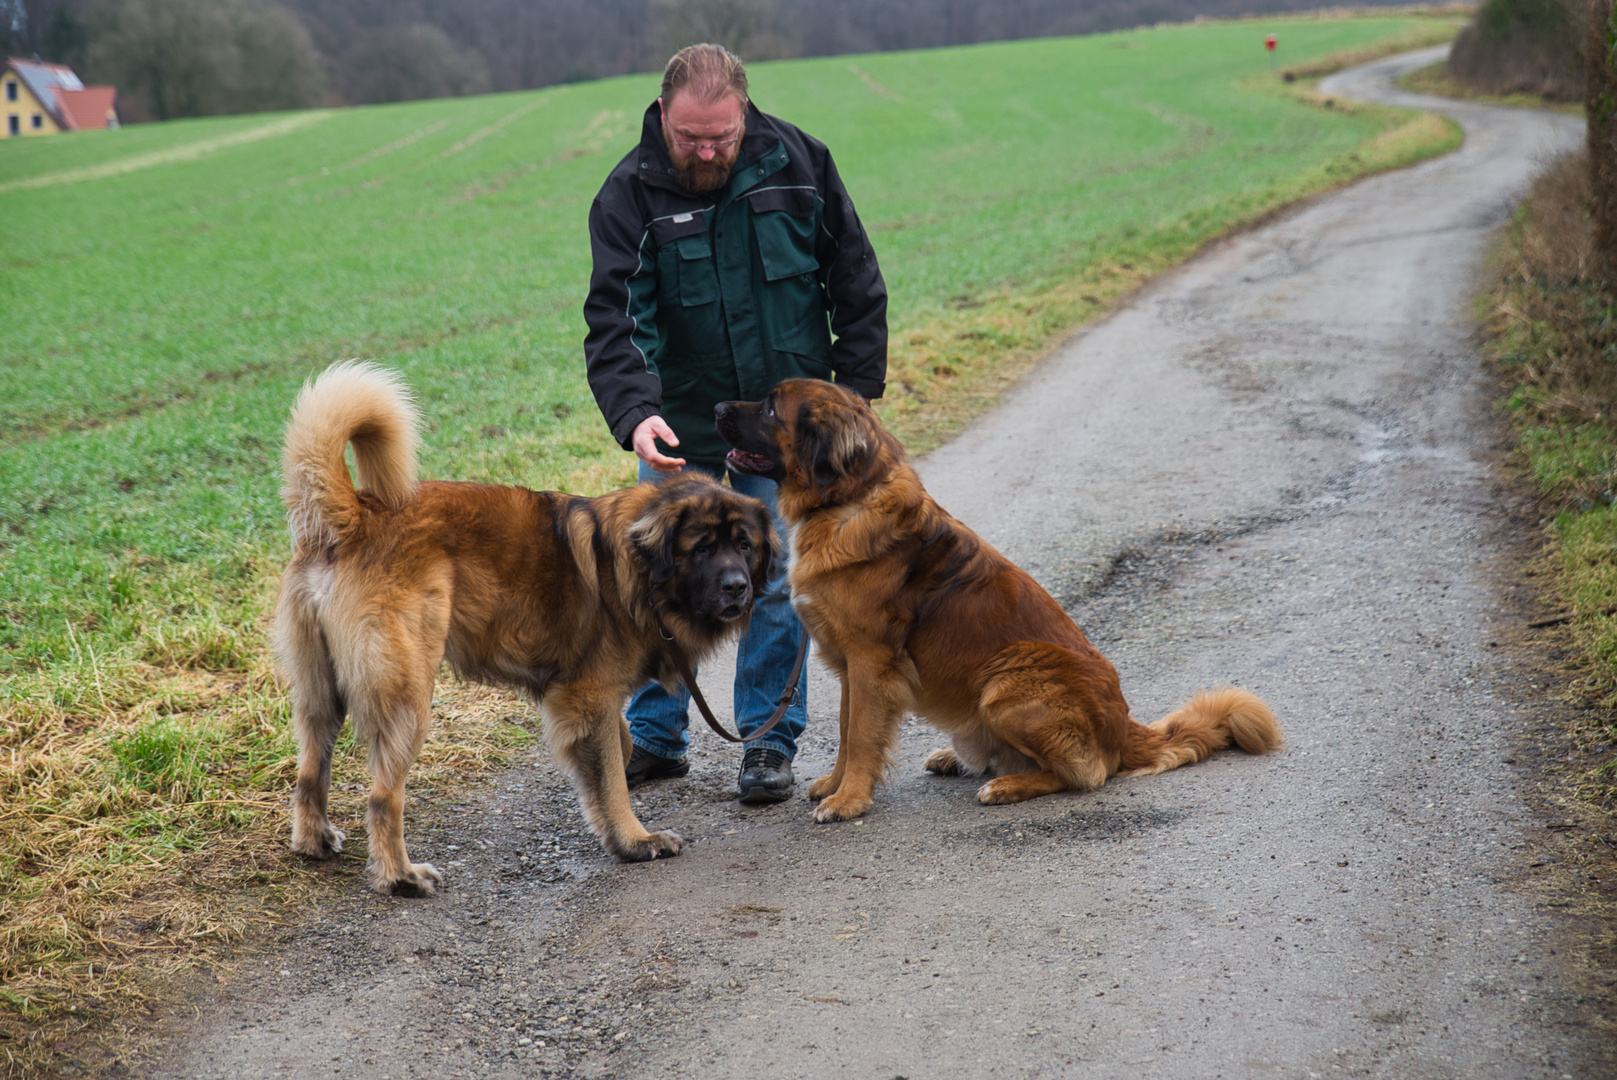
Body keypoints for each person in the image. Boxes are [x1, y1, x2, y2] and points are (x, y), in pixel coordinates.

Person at [582, 43, 888, 803]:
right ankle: (655, 736)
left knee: (775, 577)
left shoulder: (799, 163)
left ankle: (767, 742)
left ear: (743, 111)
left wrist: (853, 398)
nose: (708, 149)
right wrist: (635, 415)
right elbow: (615, 320)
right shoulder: (628, 195)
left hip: (780, 428)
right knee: (659, 576)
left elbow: (854, 278)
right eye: (691, 138)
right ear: (663, 116)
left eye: (720, 135)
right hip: (678, 422)